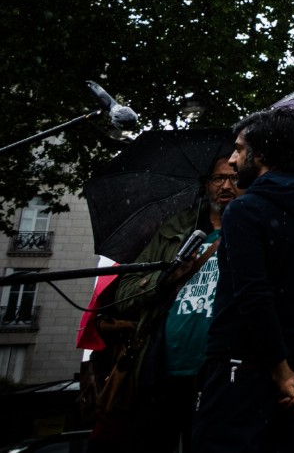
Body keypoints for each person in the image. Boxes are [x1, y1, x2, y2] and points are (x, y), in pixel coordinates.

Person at [192, 108, 294, 453]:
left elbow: (253, 296)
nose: (233, 161)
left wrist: (281, 376)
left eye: (239, 149)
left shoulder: (245, 210)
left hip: (240, 371)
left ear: (260, 154)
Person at [90, 148, 241, 453]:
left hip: (222, 372)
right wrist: (165, 279)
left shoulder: (251, 230)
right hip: (160, 369)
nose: (226, 186)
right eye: (218, 178)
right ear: (206, 184)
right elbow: (125, 293)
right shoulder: (174, 230)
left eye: (234, 177)